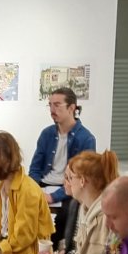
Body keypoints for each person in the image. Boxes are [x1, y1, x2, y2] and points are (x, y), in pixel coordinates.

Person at [28, 87, 95, 245]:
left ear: (72, 108)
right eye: (50, 105)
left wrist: (54, 196)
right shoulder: (47, 134)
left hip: (69, 189)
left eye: (57, 105)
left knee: (65, 214)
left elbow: (82, 179)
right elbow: (35, 168)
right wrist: (33, 189)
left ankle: (55, 251)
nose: (52, 109)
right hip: (44, 185)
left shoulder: (86, 139)